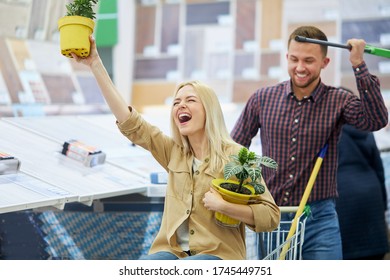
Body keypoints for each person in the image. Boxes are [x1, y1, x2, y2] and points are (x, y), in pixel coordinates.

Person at [71, 36, 280, 260]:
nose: (181, 105)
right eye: (176, 102)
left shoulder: (236, 157)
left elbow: (270, 216)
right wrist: (95, 64)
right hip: (172, 252)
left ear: (209, 110)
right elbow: (130, 121)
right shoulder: (173, 152)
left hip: (217, 255)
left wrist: (224, 206)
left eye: (190, 100)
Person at [231, 25, 389, 260]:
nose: (300, 67)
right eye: (294, 59)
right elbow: (233, 149)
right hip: (272, 215)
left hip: (320, 218)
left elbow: (376, 119)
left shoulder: (338, 100)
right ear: (286, 57)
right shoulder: (262, 99)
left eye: (309, 60)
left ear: (325, 63)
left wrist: (358, 65)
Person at [336, 124, 389, 260]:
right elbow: (378, 168)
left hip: (341, 196)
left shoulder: (326, 129)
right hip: (371, 195)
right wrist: (382, 205)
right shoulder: (364, 128)